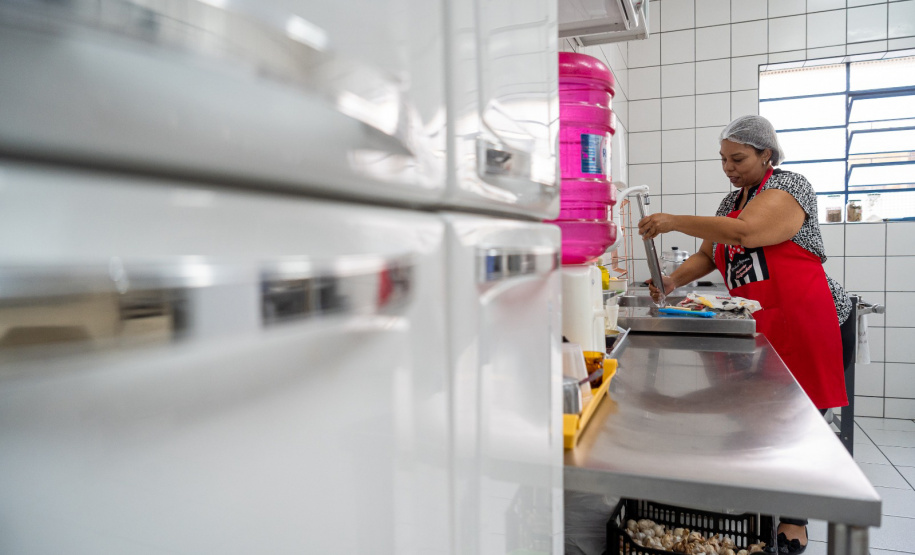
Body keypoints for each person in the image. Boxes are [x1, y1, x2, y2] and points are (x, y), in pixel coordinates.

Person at [638, 114, 854, 555]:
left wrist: (674, 220)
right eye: (723, 159)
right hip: (768, 323)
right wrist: (672, 280)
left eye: (737, 159)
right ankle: (763, 493)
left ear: (766, 154)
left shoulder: (790, 186)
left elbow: (747, 232)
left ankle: (794, 517)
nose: (728, 167)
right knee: (761, 416)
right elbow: (710, 254)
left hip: (812, 321)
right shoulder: (728, 202)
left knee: (798, 423)